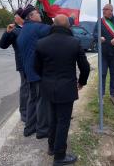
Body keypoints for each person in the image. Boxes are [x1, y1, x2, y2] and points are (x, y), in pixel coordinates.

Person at [34, 14, 90, 166]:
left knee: (53, 118)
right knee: (63, 121)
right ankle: (59, 156)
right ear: (67, 26)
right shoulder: (74, 42)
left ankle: (52, 147)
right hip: (66, 88)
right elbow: (85, 66)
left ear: (54, 25)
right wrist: (82, 82)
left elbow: (36, 68)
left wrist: (45, 79)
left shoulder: (41, 43)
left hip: (48, 88)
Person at [17, 4, 51, 138]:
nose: (40, 15)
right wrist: (69, 20)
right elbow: (56, 28)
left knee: (32, 99)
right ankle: (42, 130)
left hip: (29, 72)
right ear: (31, 16)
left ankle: (29, 128)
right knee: (42, 100)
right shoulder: (36, 28)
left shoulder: (24, 29)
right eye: (37, 13)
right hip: (38, 71)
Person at [93, 3, 114, 105]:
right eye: (103, 9)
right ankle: (101, 96)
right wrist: (98, 37)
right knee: (102, 74)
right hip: (103, 53)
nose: (103, 11)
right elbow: (94, 33)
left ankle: (112, 95)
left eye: (106, 9)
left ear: (111, 11)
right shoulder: (100, 21)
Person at [0, 8, 28, 122]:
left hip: (34, 62)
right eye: (16, 16)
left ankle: (33, 111)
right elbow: (2, 45)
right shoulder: (14, 30)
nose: (15, 18)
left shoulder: (30, 28)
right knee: (25, 88)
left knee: (34, 89)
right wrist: (7, 33)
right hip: (23, 63)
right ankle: (24, 114)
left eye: (17, 16)